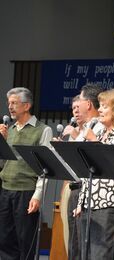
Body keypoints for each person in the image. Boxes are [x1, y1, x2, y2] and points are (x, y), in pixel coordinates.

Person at [75, 88, 114, 260]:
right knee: (86, 255)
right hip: (90, 204)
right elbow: (88, 172)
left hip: (110, 205)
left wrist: (93, 141)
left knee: (103, 255)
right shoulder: (100, 131)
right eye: (99, 106)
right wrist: (82, 201)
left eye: (104, 106)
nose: (99, 110)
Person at [0, 87, 53, 260]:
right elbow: (3, 163)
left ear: (27, 105)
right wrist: (2, 142)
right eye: (9, 103)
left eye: (14, 103)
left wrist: (38, 195)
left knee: (26, 241)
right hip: (6, 190)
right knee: (5, 240)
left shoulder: (42, 130)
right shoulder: (9, 130)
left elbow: (44, 168)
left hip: (26, 192)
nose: (10, 107)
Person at [60, 85, 104, 260]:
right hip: (75, 188)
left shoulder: (99, 127)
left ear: (88, 103)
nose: (75, 110)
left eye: (79, 104)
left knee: (84, 244)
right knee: (74, 244)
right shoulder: (86, 128)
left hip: (89, 190)